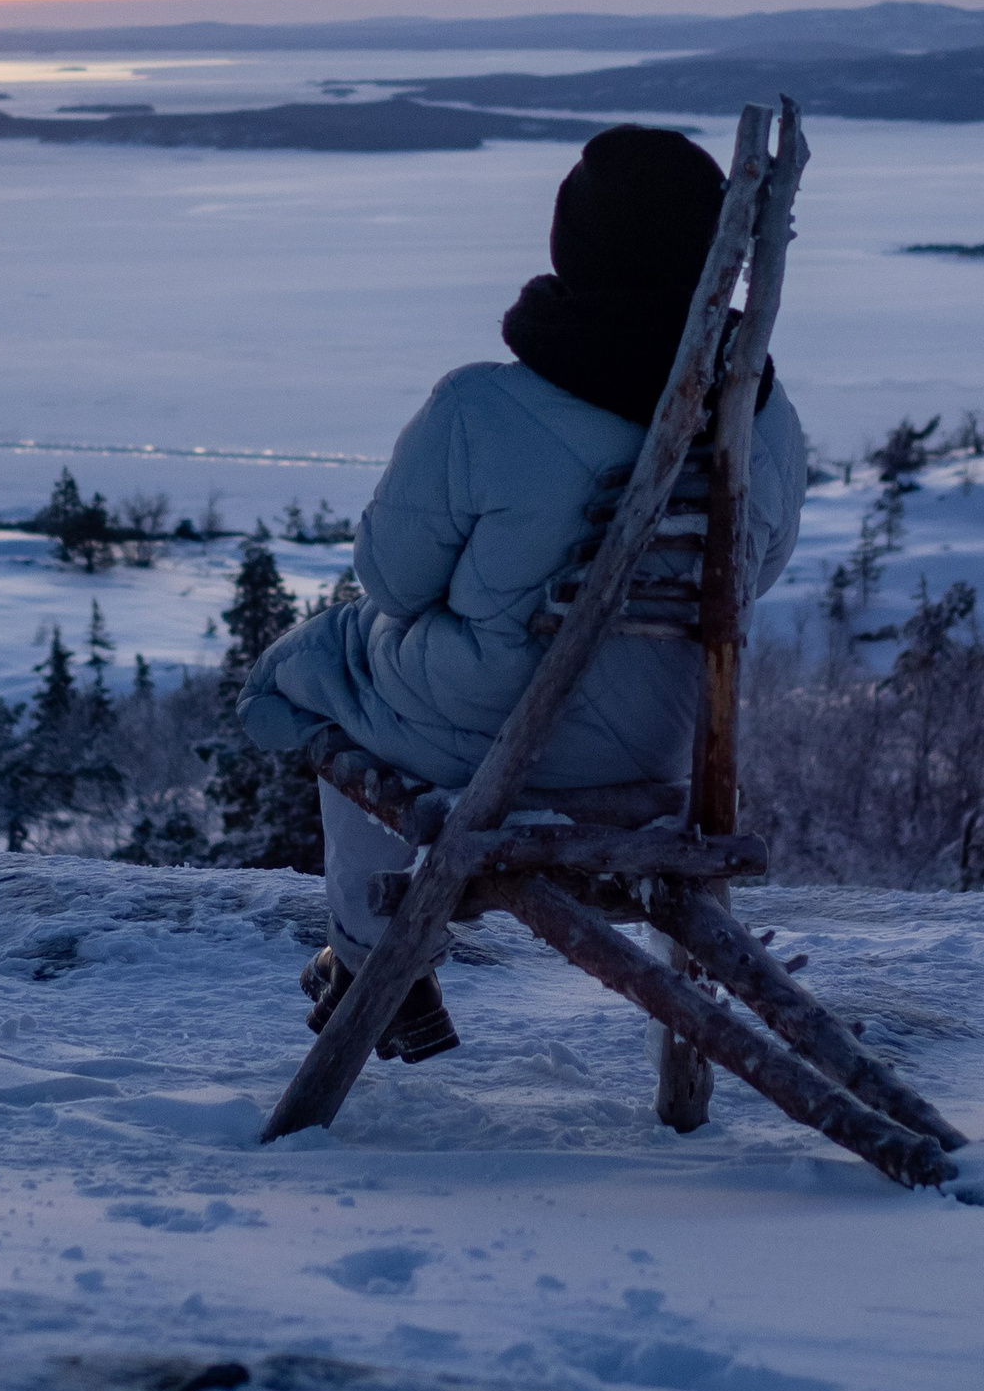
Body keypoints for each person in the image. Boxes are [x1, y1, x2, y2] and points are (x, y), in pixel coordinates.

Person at [234, 124, 807, 1061]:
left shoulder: (484, 406)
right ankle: (382, 965)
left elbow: (393, 582)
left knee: (318, 669)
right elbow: (754, 569)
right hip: (674, 743)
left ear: (571, 251)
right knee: (349, 668)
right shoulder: (762, 413)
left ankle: (375, 957)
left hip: (496, 738)